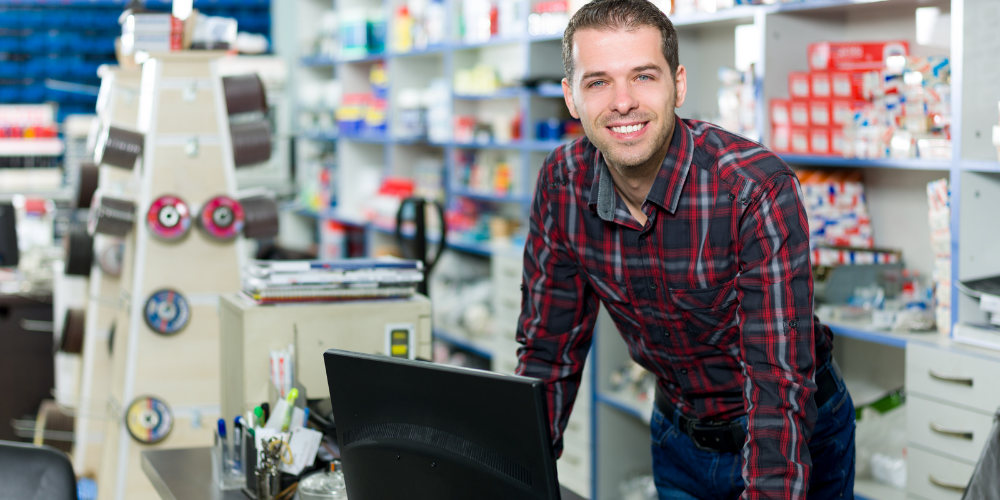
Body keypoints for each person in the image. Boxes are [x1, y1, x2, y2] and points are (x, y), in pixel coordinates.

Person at [514, 0, 856, 498]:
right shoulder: (562, 181)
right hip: (678, 435)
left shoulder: (752, 189)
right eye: (598, 82)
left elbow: (777, 383)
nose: (623, 101)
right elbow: (549, 351)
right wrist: (516, 476)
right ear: (571, 97)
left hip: (792, 434)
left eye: (644, 76)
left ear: (678, 84)